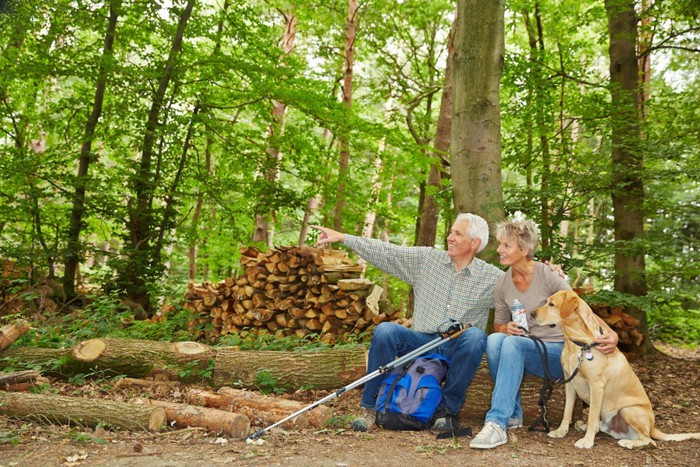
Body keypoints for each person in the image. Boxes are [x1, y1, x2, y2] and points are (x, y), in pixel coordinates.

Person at [311, 213, 503, 432]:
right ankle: (371, 409)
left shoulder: (492, 277)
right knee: (385, 330)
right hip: (420, 342)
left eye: (457, 233)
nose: (450, 237)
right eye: (450, 231)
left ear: (474, 243)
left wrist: (551, 273)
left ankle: (446, 413)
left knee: (476, 336)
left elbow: (522, 289)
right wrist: (344, 238)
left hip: (456, 347)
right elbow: (387, 252)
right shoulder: (427, 260)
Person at [469, 218, 619, 449]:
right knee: (496, 339)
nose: (499, 249)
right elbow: (498, 325)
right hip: (527, 352)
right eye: (500, 244)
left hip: (562, 354)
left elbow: (579, 307)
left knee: (512, 344)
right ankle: (513, 414)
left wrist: (611, 333)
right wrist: (505, 328)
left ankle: (496, 423)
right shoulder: (502, 283)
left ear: (525, 250)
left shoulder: (548, 275)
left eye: (506, 245)